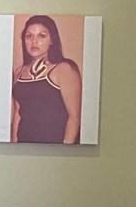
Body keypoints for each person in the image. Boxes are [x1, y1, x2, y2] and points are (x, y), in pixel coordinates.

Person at [11, 15, 83, 143]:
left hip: (54, 145)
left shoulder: (64, 69)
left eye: (41, 36)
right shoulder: (18, 72)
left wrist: (65, 150)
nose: (34, 41)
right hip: (25, 145)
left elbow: (74, 117)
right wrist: (13, 143)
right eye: (29, 36)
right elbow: (18, 113)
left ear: (52, 40)